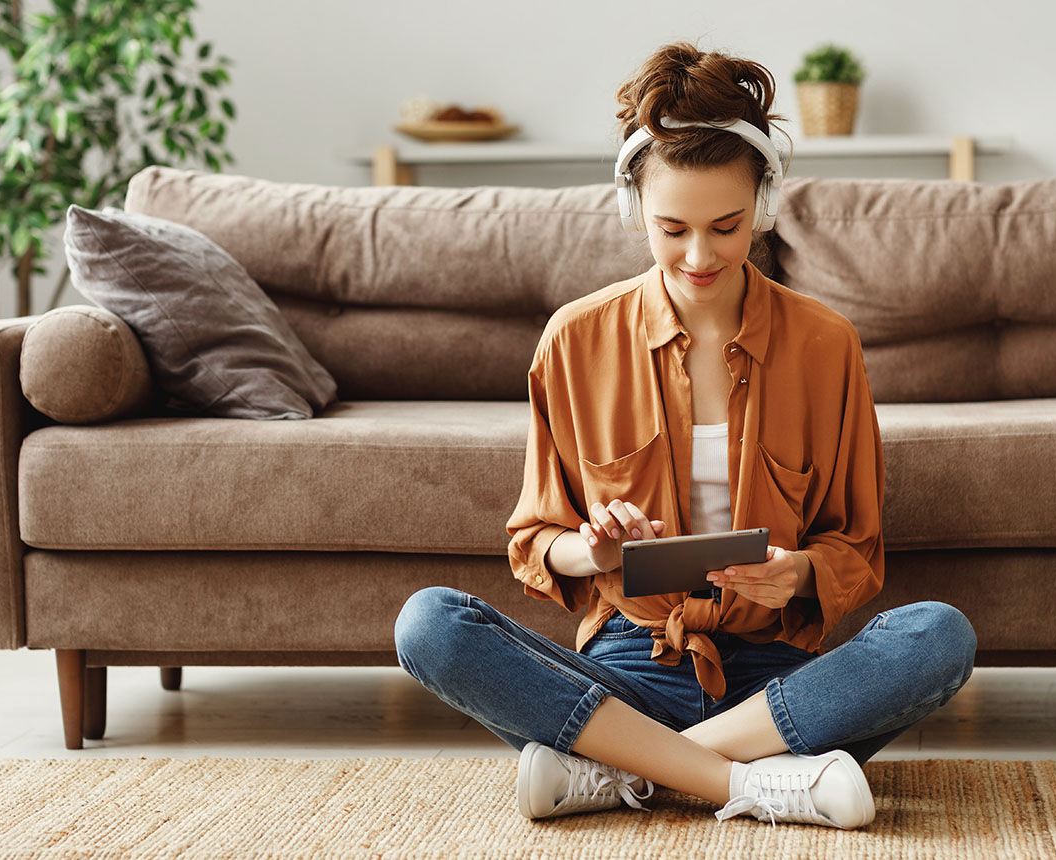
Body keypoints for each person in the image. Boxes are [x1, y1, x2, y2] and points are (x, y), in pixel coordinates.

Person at [394, 40, 977, 829]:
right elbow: (537, 539)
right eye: (672, 229)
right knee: (428, 624)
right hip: (629, 669)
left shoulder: (825, 343)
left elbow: (857, 547)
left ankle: (625, 773)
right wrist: (593, 550)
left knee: (938, 636)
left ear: (764, 206)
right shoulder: (574, 340)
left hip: (779, 686)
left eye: (727, 227)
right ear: (635, 209)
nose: (700, 256)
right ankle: (757, 783)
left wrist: (799, 574)